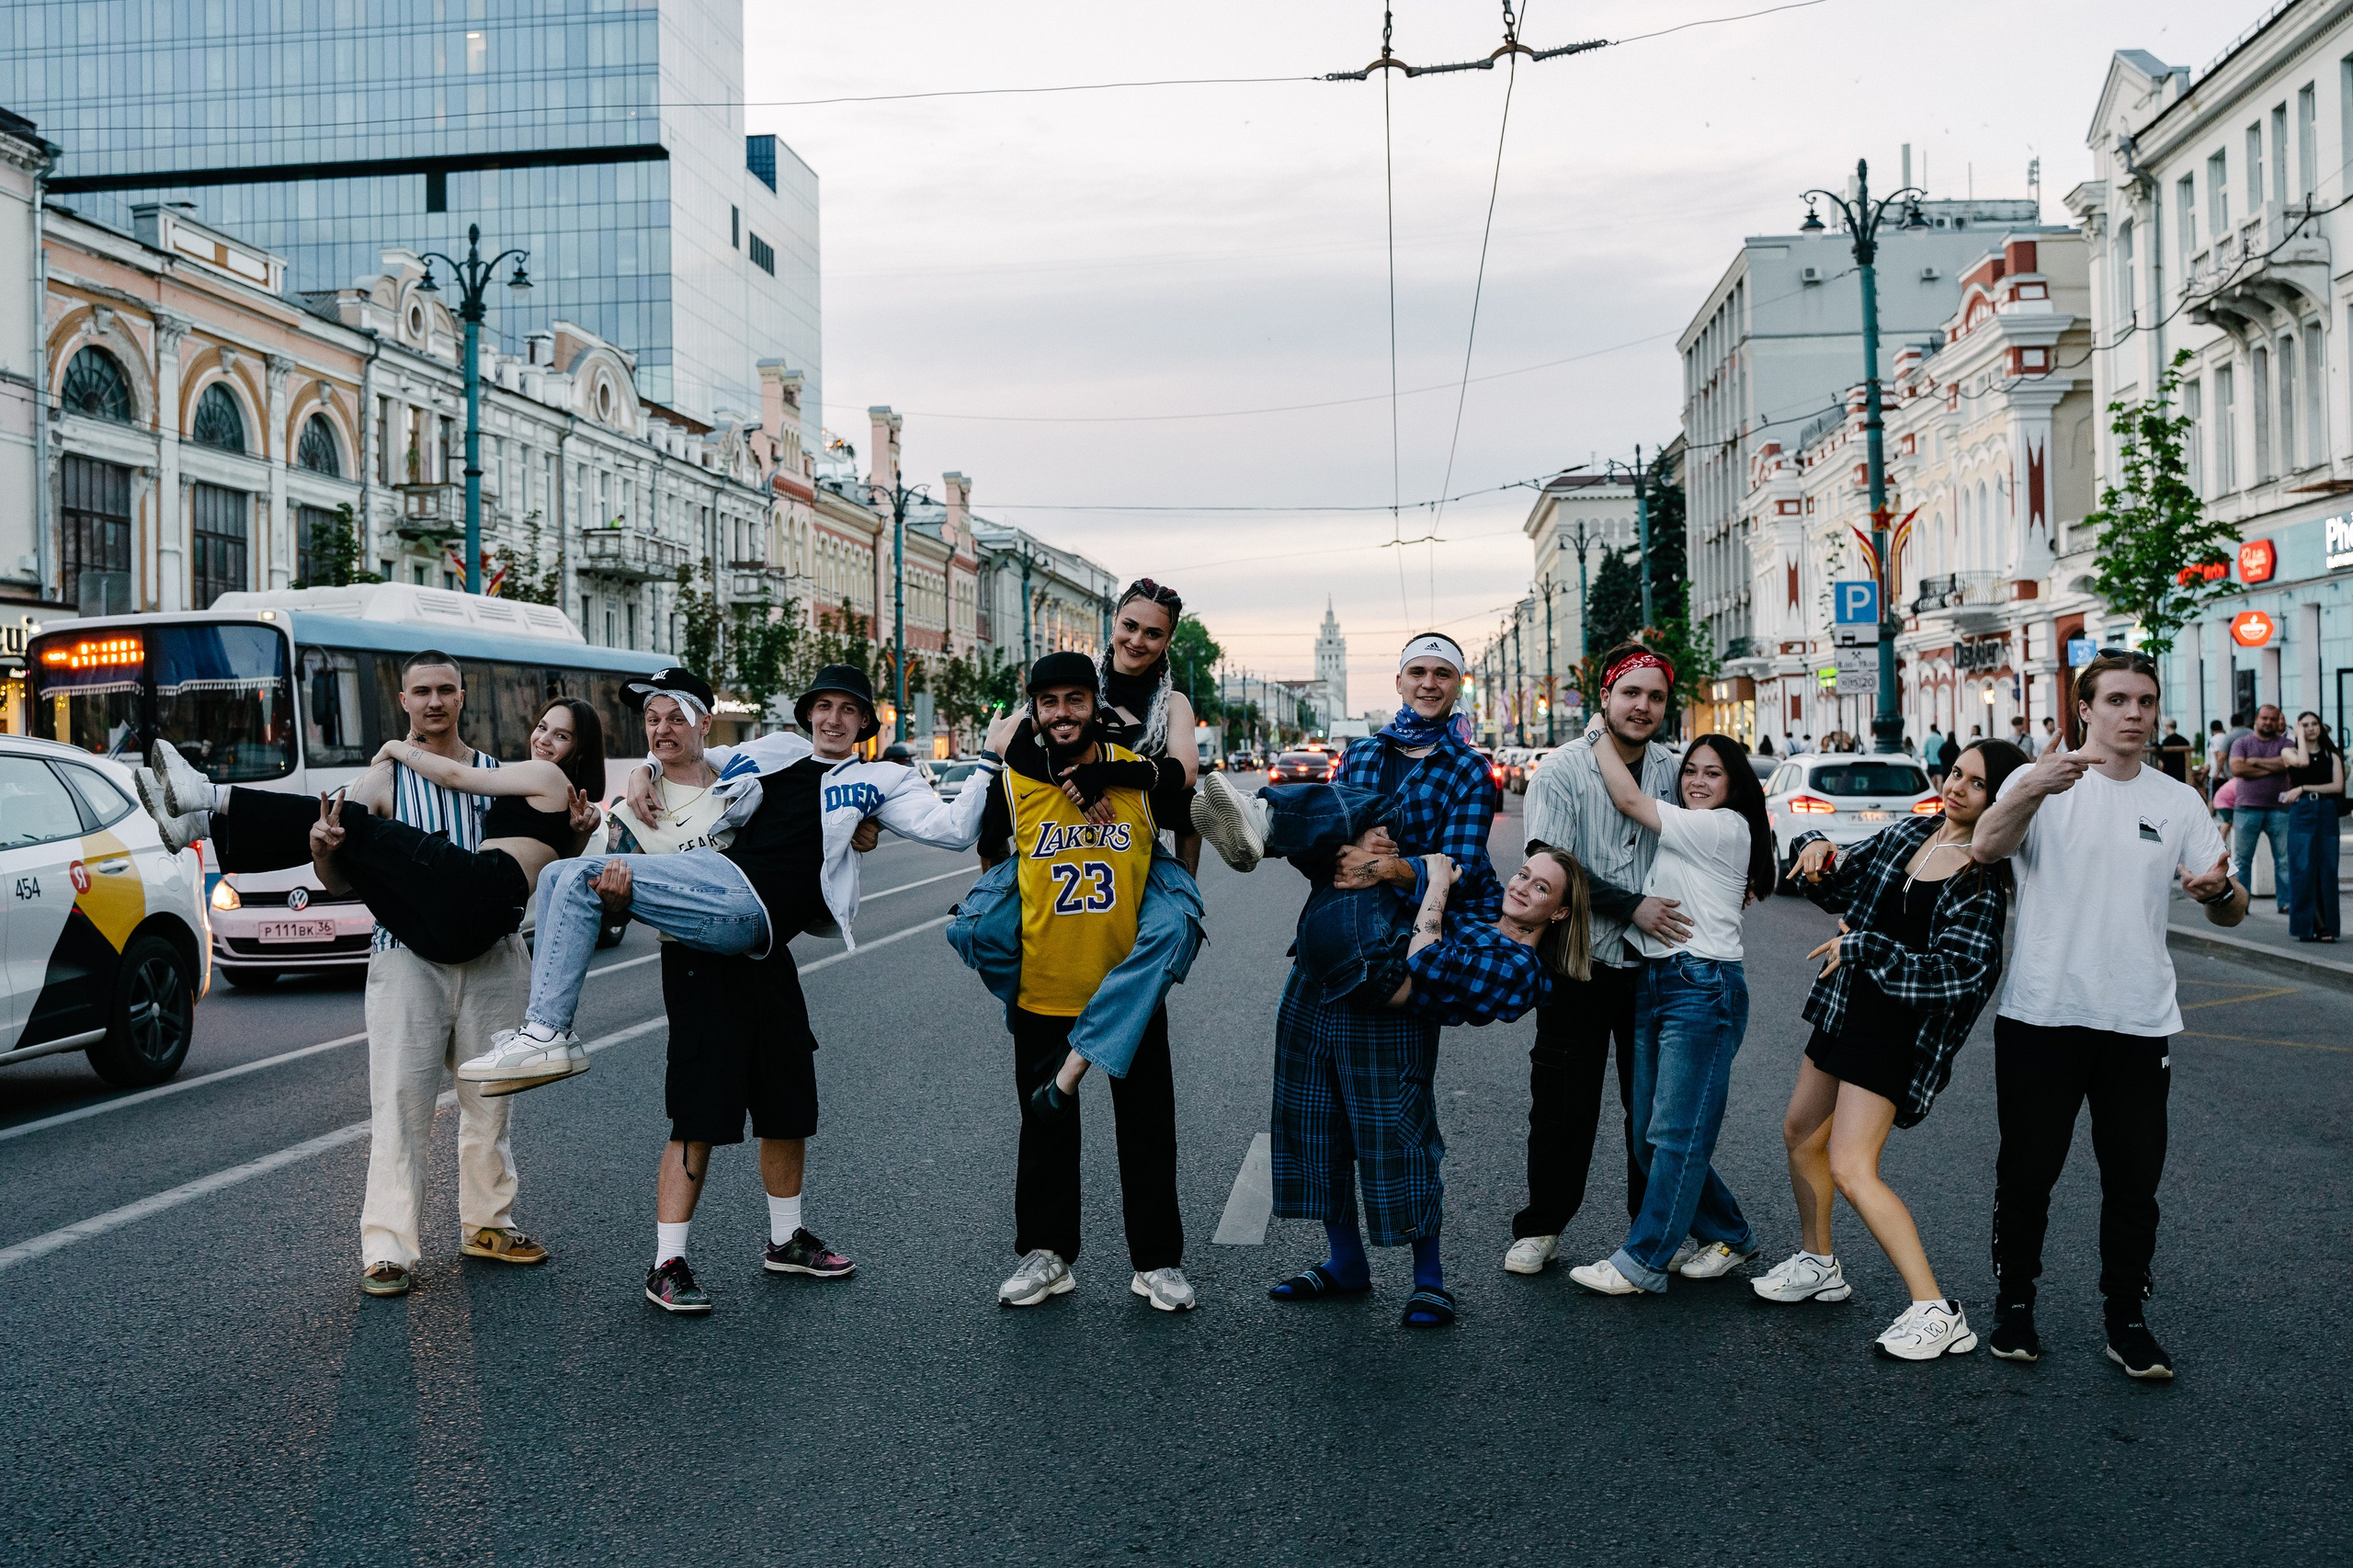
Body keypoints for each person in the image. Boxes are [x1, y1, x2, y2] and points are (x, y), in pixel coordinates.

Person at [142, 654, 600, 1297]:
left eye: (446, 690)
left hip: (491, 954)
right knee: (400, 1106)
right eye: (422, 692)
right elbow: (338, 874)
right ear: (403, 700)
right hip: (408, 955)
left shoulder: (500, 773)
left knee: (490, 1103)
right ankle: (388, 1251)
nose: (434, 701)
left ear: (462, 697)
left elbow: (547, 853)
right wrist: (324, 852)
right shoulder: (383, 779)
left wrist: (578, 832)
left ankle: (489, 1224)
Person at [466, 665, 1008, 1093]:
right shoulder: (776, 750)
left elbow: (955, 830)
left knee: (574, 875)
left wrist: (989, 757)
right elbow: (694, 751)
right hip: (720, 880)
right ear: (808, 713)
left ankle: (546, 1034)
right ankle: (547, 1032)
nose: (833, 719)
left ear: (866, 722)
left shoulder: (884, 779)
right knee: (563, 874)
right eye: (824, 706)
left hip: (754, 908)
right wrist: (642, 770)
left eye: (848, 710)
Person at [1967, 651, 2245, 1380]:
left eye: (2145, 701)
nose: (2134, 714)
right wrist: (2033, 787)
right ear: (2084, 709)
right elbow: (1986, 847)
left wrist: (2218, 892)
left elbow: (2232, 908)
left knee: (2133, 1182)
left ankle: (2127, 1319)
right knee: (2027, 1174)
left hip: (2138, 1020)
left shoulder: (2177, 799)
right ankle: (2015, 1307)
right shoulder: (2040, 782)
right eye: (2118, 700)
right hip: (2042, 1014)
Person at [598, 670, 870, 1313]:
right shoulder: (631, 809)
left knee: (786, 1100)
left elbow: (817, 815)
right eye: (652, 720)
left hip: (767, 953)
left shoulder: (749, 780)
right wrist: (614, 894)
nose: (662, 730)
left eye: (675, 717)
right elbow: (609, 889)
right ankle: (667, 1263)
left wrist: (860, 829)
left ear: (703, 722)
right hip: (696, 966)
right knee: (699, 1111)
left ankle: (786, 1239)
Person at [1761, 738, 2030, 1359]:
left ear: (2002, 801)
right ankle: (1818, 1263)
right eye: (1956, 773)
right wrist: (1814, 850)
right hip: (1846, 1007)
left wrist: (1866, 947)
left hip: (1898, 1030)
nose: (1958, 787)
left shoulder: (1981, 879)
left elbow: (1960, 976)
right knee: (1800, 1132)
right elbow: (1841, 884)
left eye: (1978, 783)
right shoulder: (1912, 833)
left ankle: (1935, 1309)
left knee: (1852, 1167)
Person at [1264, 632, 1501, 1329]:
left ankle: (1429, 1278)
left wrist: (1390, 868)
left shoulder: (1467, 769)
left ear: (1457, 685)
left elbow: (1462, 870)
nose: (1429, 683)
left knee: (1396, 1120)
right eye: (1417, 671)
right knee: (1314, 1112)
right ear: (1398, 681)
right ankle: (1345, 1263)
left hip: (1401, 957)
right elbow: (1332, 848)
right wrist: (1343, 858)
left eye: (1442, 674)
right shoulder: (1363, 754)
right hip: (1325, 949)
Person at [976, 652, 1198, 1312]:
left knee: (1148, 1129)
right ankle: (1047, 1255)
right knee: (1044, 1127)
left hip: (1127, 987)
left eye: (1075, 699)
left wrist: (1182, 897)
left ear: (1094, 706)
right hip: (1045, 980)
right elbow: (990, 852)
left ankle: (1156, 1262)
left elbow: (1188, 816)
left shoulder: (1132, 774)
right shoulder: (1017, 779)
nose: (1062, 714)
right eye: (1049, 703)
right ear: (1035, 711)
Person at [1567, 722, 1778, 1298]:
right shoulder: (1693, 827)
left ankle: (1643, 1261)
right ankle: (1730, 1233)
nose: (1697, 781)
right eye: (1691, 771)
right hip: (1657, 980)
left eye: (1713, 773)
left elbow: (1629, 800)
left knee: (1677, 1134)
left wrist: (1597, 735)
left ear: (1735, 785)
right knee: (1649, 1137)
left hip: (1702, 986)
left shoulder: (1723, 826)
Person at [1506, 644, 1694, 1278]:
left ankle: (1651, 1232)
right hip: (1577, 964)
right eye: (1631, 693)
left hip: (1657, 968)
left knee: (1653, 1110)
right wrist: (1631, 905)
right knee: (1563, 1103)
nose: (1643, 707)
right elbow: (1550, 865)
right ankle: (1542, 1226)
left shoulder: (1676, 771)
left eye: (1656, 697)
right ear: (1606, 697)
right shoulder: (1561, 770)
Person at [1190, 770, 1594, 1028]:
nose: (1521, 886)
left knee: (1384, 814)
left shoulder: (1521, 970)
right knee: (1365, 832)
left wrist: (1437, 882)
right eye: (1523, 874)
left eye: (1540, 888)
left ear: (1560, 912)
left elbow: (1425, 959)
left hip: (1372, 964)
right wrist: (1390, 861)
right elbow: (1465, 867)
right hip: (1348, 938)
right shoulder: (1493, 905)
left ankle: (1265, 822)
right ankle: (1258, 825)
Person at [1097, 577, 1204, 874]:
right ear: (1115, 620)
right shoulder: (1076, 684)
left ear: (1168, 641)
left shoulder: (1173, 704)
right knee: (998, 795)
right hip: (1066, 820)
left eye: (1153, 634)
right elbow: (1005, 741)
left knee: (1190, 804)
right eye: (1130, 626)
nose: (1137, 641)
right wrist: (1074, 779)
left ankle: (1183, 893)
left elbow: (1187, 773)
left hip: (1137, 833)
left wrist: (1101, 775)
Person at [2280, 710, 2345, 943]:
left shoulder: (2331, 754)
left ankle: (2327, 925)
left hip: (2326, 810)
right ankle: (2308, 927)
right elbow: (2303, 762)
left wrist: (2304, 787)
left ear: (2320, 726)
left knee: (2327, 867)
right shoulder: (2289, 751)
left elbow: (2337, 786)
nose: (2310, 728)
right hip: (2302, 812)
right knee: (2302, 867)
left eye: (2314, 724)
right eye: (2305, 725)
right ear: (2298, 727)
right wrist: (2298, 736)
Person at [2229, 704, 2294, 912]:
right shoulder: (2242, 743)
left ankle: (2286, 903)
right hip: (2247, 808)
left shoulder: (2287, 743)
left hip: (2280, 809)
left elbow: (2288, 764)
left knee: (2284, 860)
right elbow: (2237, 768)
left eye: (2273, 719)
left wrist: (2255, 762)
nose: (2268, 722)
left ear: (2278, 721)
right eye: (2264, 718)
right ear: (2256, 719)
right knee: (2242, 861)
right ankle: (2241, 904)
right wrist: (2273, 768)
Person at [2154, 720, 2191, 784]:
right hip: (2183, 774)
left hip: (2169, 773)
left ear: (2168, 726)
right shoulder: (2184, 741)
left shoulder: (2166, 742)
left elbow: (2163, 757)